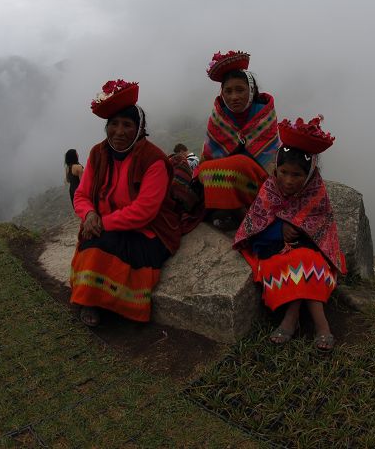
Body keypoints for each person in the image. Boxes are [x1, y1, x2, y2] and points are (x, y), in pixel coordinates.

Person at [70, 80, 182, 327]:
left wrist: (103, 223)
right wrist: (89, 215)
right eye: (114, 124)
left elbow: (145, 211)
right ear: (106, 127)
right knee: (93, 240)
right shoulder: (97, 153)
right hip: (104, 223)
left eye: (127, 125)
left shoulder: (154, 160)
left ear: (139, 129)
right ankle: (91, 298)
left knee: (102, 242)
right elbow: (82, 194)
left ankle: (104, 300)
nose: (119, 132)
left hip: (150, 231)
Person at [234, 116, 345, 352]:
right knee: (298, 263)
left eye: (297, 175)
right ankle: (320, 326)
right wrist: (279, 229)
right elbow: (254, 227)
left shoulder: (316, 192)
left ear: (310, 173)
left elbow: (323, 232)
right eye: (283, 172)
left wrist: (301, 236)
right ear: (276, 168)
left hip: (313, 254)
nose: (288, 180)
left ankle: (294, 319)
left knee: (307, 261)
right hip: (274, 252)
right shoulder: (269, 189)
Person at [195, 51, 280, 229]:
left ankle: (243, 211)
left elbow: (269, 158)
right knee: (205, 170)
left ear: (251, 91)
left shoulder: (264, 114)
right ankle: (228, 209)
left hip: (256, 179)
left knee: (239, 164)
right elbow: (209, 156)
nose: (234, 97)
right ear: (223, 93)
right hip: (224, 178)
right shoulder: (218, 117)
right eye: (228, 91)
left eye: (240, 90)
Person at [168, 144, 200, 214]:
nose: (178, 157)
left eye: (178, 154)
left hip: (191, 187)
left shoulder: (189, 161)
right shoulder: (195, 158)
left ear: (181, 151)